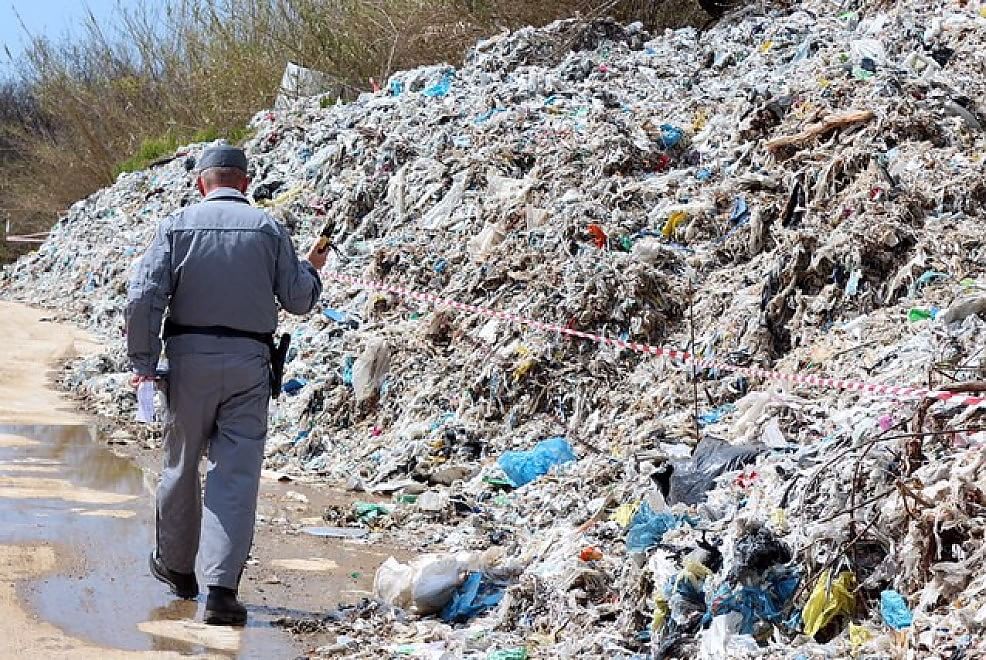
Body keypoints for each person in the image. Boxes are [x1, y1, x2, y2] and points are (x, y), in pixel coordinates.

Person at [125, 144, 326, 625]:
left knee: (180, 464)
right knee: (234, 474)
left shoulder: (175, 227)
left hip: (189, 359)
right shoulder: (269, 228)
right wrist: (314, 272)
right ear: (245, 183)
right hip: (249, 364)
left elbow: (142, 295)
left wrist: (145, 363)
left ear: (201, 184)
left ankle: (176, 569)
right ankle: (221, 591)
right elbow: (298, 301)